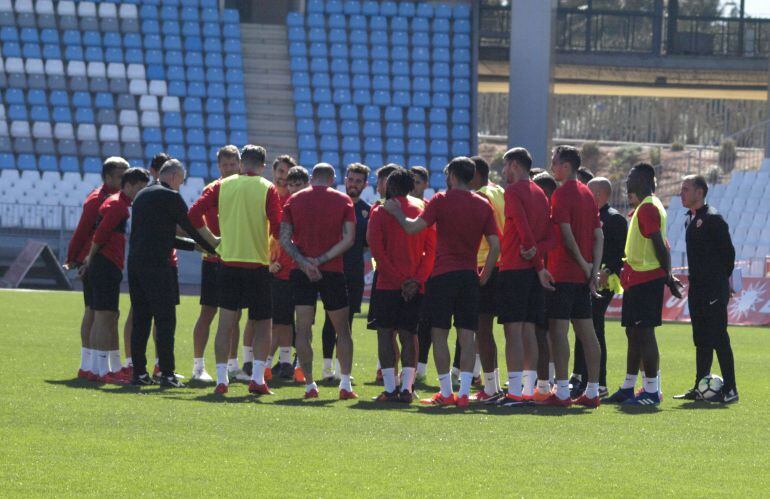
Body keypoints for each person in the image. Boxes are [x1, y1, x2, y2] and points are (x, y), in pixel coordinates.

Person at [383, 156, 500, 408]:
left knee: (439, 334)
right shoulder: (482, 204)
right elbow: (496, 246)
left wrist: (397, 213)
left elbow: (413, 228)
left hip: (443, 275)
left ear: (453, 176)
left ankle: (446, 392)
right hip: (469, 275)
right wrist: (484, 276)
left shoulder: (441, 200)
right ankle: (464, 394)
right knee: (467, 336)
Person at [189, 145, 282, 395]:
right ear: (262, 166)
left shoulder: (223, 185)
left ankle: (222, 379)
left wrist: (213, 240)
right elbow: (277, 227)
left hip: (227, 263)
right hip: (257, 264)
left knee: (225, 323)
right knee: (263, 324)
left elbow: (193, 213)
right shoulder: (267, 187)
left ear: (241, 163)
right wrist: (277, 249)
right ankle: (258, 379)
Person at [128, 159, 218, 387]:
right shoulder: (170, 196)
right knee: (165, 320)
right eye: (182, 180)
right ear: (176, 176)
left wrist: (192, 246)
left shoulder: (142, 195)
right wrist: (212, 248)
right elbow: (190, 226)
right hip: (158, 266)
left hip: (136, 264)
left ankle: (139, 373)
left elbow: (161, 234)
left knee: (141, 319)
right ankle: (167, 374)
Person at [486, 148, 557, 406]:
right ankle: (528, 390)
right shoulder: (540, 193)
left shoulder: (514, 192)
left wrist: (536, 261)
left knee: (513, 332)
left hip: (516, 268)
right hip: (531, 272)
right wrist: (539, 259)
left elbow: (524, 231)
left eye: (505, 167)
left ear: (514, 165)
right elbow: (551, 236)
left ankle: (514, 392)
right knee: (529, 330)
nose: (504, 172)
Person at [607, 163, 682, 406]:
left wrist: (668, 277)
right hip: (637, 279)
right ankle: (629, 387)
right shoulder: (645, 206)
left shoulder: (649, 207)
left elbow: (661, 246)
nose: (627, 180)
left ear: (644, 179)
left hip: (646, 279)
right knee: (633, 332)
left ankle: (651, 391)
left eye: (631, 175)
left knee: (644, 333)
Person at [280, 163, 357, 399]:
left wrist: (305, 262)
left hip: (302, 271)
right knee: (342, 330)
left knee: (303, 329)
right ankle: (345, 384)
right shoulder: (343, 200)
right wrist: (321, 260)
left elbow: (284, 239)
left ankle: (310, 384)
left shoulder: (293, 201)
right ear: (332, 178)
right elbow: (349, 239)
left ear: (311, 178)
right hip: (332, 270)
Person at [368, 168, 435, 402]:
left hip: (388, 284)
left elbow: (377, 252)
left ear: (389, 186)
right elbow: (431, 251)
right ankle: (407, 388)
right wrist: (416, 280)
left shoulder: (379, 212)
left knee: (385, 335)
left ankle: (389, 389)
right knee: (410, 335)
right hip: (416, 286)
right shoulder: (422, 210)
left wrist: (398, 280)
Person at [546, 145, 605, 407]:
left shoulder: (562, 194)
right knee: (587, 332)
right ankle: (592, 391)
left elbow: (566, 234)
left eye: (555, 162)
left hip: (564, 272)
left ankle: (561, 392)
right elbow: (598, 235)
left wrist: (583, 264)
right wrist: (592, 270)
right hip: (582, 277)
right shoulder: (587, 193)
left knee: (559, 332)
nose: (551, 167)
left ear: (566, 166)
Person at [79, 163, 148, 384]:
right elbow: (100, 234)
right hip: (106, 264)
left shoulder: (118, 203)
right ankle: (100, 370)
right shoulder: (118, 206)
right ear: (130, 185)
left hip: (106, 264)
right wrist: (91, 257)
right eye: (140, 188)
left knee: (107, 317)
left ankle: (100, 368)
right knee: (104, 317)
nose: (142, 194)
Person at [674, 175, 738, 403]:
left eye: (685, 189)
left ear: (699, 192)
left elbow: (729, 255)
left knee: (719, 337)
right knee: (701, 339)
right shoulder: (690, 218)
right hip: (697, 289)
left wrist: (719, 281)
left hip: (712, 290)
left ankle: (731, 389)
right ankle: (701, 387)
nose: (681, 193)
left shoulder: (713, 219)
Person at [66, 157, 128, 379]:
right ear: (108, 177)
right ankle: (92, 367)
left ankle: (96, 366)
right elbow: (83, 230)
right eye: (121, 176)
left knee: (101, 313)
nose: (125, 180)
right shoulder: (99, 200)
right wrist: (75, 258)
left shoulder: (112, 198)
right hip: (97, 260)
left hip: (98, 259)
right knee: (98, 314)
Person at [187, 146, 243, 382]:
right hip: (214, 259)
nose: (229, 169)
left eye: (233, 164)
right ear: (218, 167)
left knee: (236, 314)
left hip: (238, 259)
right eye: (225, 165)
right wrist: (210, 241)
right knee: (208, 312)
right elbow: (195, 216)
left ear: (239, 164)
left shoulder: (244, 188)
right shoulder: (213, 189)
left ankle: (232, 364)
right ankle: (198, 366)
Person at [570, 177, 627, 398]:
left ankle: (598, 382)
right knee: (585, 327)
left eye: (588, 190)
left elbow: (620, 253)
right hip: (587, 277)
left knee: (594, 327)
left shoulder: (615, 219)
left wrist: (608, 270)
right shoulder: (592, 216)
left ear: (599, 194)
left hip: (604, 280)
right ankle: (584, 378)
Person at [321, 163, 371, 381]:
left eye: (358, 181)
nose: (354, 184)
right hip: (332, 270)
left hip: (354, 272)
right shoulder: (333, 205)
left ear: (364, 184)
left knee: (347, 320)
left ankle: (343, 371)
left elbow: (368, 244)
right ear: (345, 179)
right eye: (351, 179)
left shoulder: (367, 212)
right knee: (329, 319)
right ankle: (326, 368)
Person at [467, 156, 506, 401]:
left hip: (484, 263)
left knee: (482, 329)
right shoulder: (500, 191)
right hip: (503, 264)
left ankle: (491, 387)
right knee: (489, 330)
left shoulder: (480, 196)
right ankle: (495, 384)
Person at [265, 155, 300, 381]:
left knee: (285, 320)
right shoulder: (266, 197)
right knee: (272, 320)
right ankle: (269, 362)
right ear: (273, 172)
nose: (282, 176)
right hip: (269, 265)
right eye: (279, 171)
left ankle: (280, 363)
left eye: (287, 173)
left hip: (288, 267)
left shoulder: (294, 201)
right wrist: (267, 260)